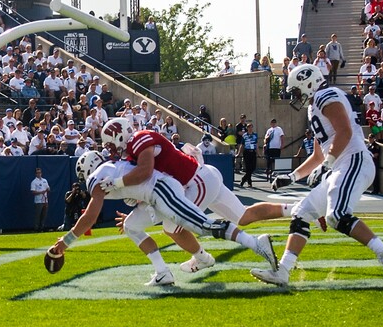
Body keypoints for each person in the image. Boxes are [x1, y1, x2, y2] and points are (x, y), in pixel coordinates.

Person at [252, 65, 383, 288]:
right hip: (339, 165)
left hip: (353, 160)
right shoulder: (314, 107)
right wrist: (293, 176)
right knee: (301, 212)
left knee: (337, 215)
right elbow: (318, 154)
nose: (295, 97)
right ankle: (283, 271)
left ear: (309, 83)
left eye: (296, 91)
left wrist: (328, 163)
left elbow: (345, 132)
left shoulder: (325, 95)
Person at [97, 118, 287, 282]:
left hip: (196, 181)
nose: (112, 149)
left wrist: (117, 182)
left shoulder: (138, 139)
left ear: (119, 135)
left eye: (111, 144)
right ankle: (295, 210)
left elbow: (145, 172)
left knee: (174, 227)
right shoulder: (134, 149)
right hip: (201, 178)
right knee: (244, 216)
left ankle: (215, 254)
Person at [237, 123, 258, 187]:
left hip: (253, 152)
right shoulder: (244, 135)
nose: (250, 128)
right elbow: (242, 145)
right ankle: (249, 182)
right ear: (247, 128)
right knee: (248, 168)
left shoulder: (255, 135)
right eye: (249, 127)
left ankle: (243, 179)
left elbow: (256, 144)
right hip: (247, 152)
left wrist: (258, 153)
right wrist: (238, 153)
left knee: (253, 167)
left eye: (251, 127)